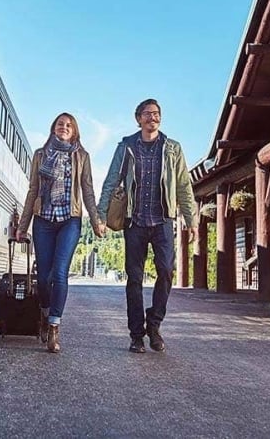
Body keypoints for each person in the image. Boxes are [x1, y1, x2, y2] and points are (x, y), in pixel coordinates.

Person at [98, 98, 196, 354]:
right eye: (148, 113)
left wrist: (191, 219)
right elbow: (111, 181)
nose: (153, 117)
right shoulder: (127, 147)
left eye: (156, 113)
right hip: (135, 222)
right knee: (134, 279)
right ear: (138, 118)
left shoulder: (172, 148)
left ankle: (154, 324)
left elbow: (183, 186)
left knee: (166, 272)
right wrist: (100, 215)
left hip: (163, 221)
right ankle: (136, 335)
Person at [16, 112, 104, 353]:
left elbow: (87, 191)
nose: (64, 127)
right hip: (43, 220)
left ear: (74, 131)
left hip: (69, 220)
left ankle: (54, 326)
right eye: (60, 124)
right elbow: (33, 190)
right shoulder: (40, 155)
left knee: (60, 273)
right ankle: (45, 312)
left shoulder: (82, 156)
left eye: (69, 125)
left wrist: (96, 221)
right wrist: (22, 226)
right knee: (44, 278)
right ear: (53, 128)